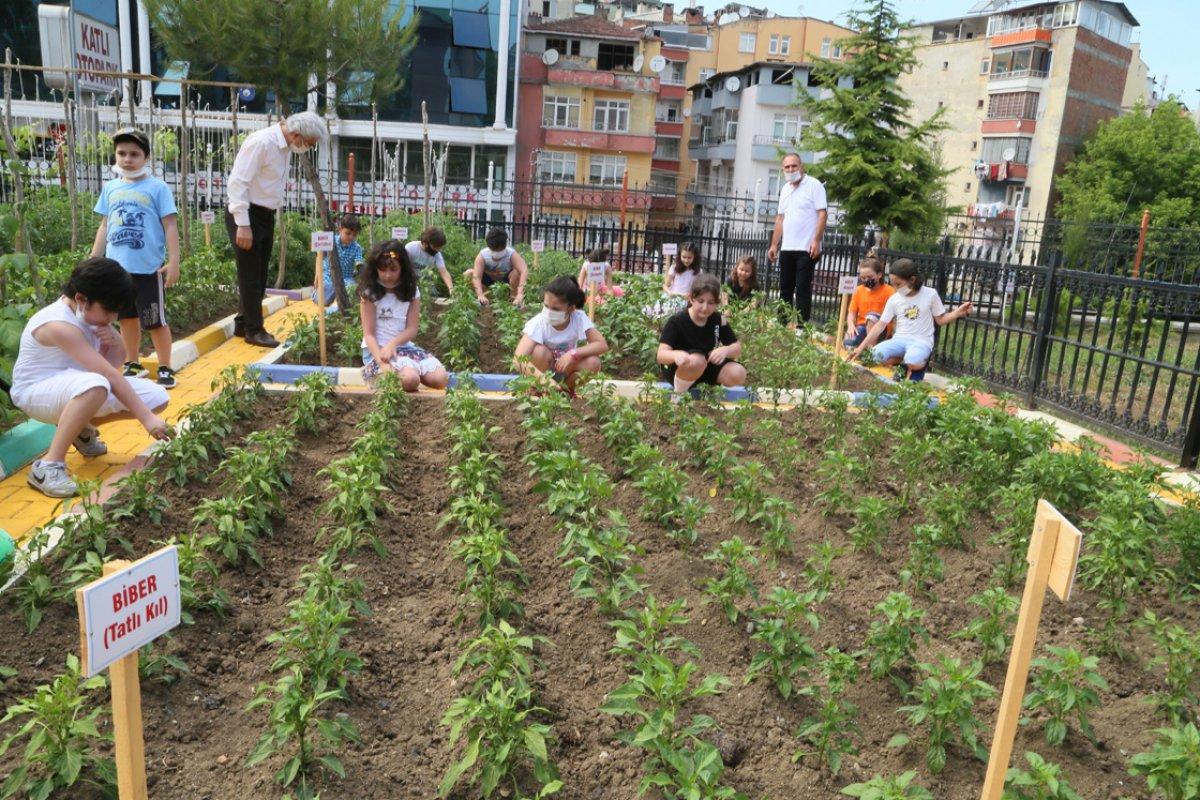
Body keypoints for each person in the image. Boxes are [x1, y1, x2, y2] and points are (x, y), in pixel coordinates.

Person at [10, 258, 172, 498]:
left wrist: (115, 341)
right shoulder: (58, 324)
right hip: (35, 393)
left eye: (116, 311)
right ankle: (48, 468)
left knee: (157, 397)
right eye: (108, 310)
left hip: (76, 388)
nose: (113, 317)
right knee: (98, 385)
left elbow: (112, 366)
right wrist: (146, 420)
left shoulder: (90, 318)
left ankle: (80, 430)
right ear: (81, 299)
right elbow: (106, 375)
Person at [225, 111, 328, 347]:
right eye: (308, 143)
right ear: (296, 134)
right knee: (250, 275)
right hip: (247, 213)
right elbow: (237, 183)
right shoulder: (262, 142)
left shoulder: (284, 147)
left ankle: (243, 322)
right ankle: (254, 330)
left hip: (264, 214)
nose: (307, 148)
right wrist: (243, 224)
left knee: (259, 274)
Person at [89, 127, 180, 389]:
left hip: (149, 269)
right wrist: (95, 259)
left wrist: (173, 261)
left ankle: (165, 367)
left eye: (134, 154)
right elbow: (105, 226)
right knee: (127, 318)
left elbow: (170, 226)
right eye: (122, 153)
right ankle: (133, 363)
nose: (127, 159)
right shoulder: (111, 188)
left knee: (155, 319)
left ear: (146, 158)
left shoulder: (157, 188)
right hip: (118, 271)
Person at [850, 258, 973, 381]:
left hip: (921, 341)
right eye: (893, 284)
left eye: (898, 284)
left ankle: (912, 364)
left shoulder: (930, 294)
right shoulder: (895, 299)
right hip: (899, 340)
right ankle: (903, 362)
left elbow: (940, 320)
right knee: (874, 355)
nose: (895, 288)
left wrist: (958, 312)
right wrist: (860, 348)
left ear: (912, 280)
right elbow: (880, 325)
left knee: (913, 359)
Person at [359, 241, 449, 393]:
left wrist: (392, 344)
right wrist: (382, 362)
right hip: (377, 350)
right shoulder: (370, 293)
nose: (388, 275)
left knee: (441, 379)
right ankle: (375, 373)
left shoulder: (412, 291)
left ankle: (404, 371)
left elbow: (412, 329)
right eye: (383, 270)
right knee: (410, 380)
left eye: (393, 269)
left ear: (403, 268)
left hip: (403, 347)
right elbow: (369, 334)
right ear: (375, 270)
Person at [514, 275, 608, 393]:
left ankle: (565, 391)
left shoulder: (578, 318)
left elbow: (601, 345)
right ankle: (538, 390)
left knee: (594, 363)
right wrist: (544, 380)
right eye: (546, 306)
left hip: (565, 370)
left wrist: (573, 353)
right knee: (538, 352)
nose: (549, 312)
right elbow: (518, 359)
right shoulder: (539, 323)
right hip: (542, 372)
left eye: (555, 309)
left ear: (571, 309)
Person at [658, 273, 746, 397]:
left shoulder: (718, 320)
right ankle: (678, 396)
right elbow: (661, 354)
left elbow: (737, 348)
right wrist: (676, 355)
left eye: (711, 303)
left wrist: (725, 350)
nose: (705, 308)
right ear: (691, 298)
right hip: (680, 370)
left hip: (706, 367)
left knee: (738, 373)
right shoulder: (677, 321)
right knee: (696, 360)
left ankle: (707, 391)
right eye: (701, 301)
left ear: (717, 303)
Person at [767, 153, 827, 323]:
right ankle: (782, 324)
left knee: (802, 289)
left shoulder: (814, 185)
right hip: (787, 248)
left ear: (801, 166)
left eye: (794, 166)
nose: (791, 169)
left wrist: (816, 241)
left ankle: (801, 328)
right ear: (782, 169)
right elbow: (780, 218)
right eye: (787, 167)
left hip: (806, 248)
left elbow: (822, 215)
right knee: (784, 289)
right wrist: (773, 245)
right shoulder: (785, 189)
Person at [467, 228, 527, 307]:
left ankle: (514, 300)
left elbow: (524, 270)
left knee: (516, 272)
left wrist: (520, 293)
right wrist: (480, 294)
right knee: (468, 273)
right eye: (494, 250)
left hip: (506, 282)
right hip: (489, 282)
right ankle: (484, 299)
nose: (497, 253)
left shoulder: (511, 254)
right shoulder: (482, 256)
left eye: (500, 250)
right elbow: (477, 277)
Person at [844, 256, 894, 348]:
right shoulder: (859, 290)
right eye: (863, 278)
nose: (866, 280)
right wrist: (851, 326)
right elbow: (852, 313)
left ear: (879, 275)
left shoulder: (889, 291)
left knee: (871, 317)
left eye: (870, 277)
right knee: (849, 342)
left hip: (881, 328)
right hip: (861, 327)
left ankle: (871, 352)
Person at [323, 214, 363, 305]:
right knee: (326, 294)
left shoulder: (357, 248)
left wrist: (364, 280)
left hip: (346, 279)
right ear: (340, 229)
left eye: (354, 235)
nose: (351, 237)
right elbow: (320, 256)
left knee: (352, 289)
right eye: (348, 233)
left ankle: (337, 300)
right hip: (328, 278)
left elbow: (359, 264)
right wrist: (317, 276)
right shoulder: (330, 241)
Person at [406, 226, 454, 294]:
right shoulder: (411, 248)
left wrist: (451, 289)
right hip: (410, 282)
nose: (438, 250)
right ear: (425, 243)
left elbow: (444, 272)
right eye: (435, 247)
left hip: (426, 284)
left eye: (439, 247)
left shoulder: (437, 255)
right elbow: (404, 268)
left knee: (433, 294)